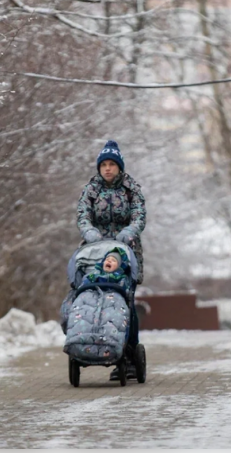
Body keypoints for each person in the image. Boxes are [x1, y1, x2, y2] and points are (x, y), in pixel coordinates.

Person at [76, 140, 146, 380]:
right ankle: (90, 341)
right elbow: (82, 214)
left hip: (125, 252)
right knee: (93, 297)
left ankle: (127, 356)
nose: (107, 169)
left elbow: (139, 215)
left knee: (126, 301)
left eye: (111, 165)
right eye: (103, 165)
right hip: (96, 253)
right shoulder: (91, 189)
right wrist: (88, 231)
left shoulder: (130, 188)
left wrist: (130, 232)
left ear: (119, 167)